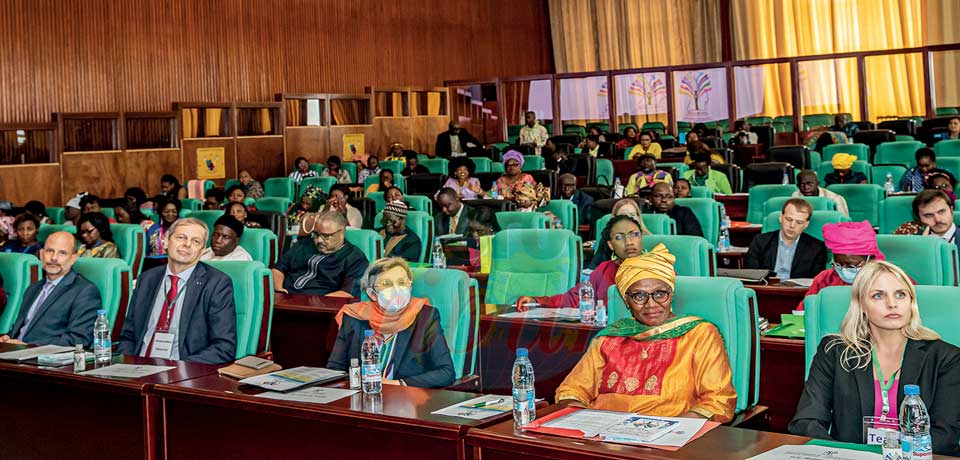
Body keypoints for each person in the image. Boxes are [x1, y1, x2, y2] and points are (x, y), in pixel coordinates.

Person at [789, 261, 960, 455]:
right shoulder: (835, 352)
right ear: (861, 304)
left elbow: (946, 436)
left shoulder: (946, 358)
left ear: (911, 303)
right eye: (878, 296)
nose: (892, 304)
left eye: (901, 295)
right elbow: (807, 421)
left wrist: (892, 455)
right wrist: (840, 455)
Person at [555, 245, 737, 422]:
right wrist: (583, 422)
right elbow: (572, 391)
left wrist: (668, 431)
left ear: (671, 294)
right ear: (627, 301)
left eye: (660, 294)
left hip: (670, 439)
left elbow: (717, 401)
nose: (651, 305)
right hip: (602, 438)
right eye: (639, 296)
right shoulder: (610, 337)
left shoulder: (699, 334)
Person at [117, 218, 237, 364]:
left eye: (196, 241)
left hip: (183, 372)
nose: (187, 244)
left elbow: (224, 348)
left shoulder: (216, 284)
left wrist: (180, 369)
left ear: (202, 250)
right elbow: (128, 336)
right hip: (137, 368)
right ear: (166, 241)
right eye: (181, 237)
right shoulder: (147, 279)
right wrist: (125, 366)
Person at [327, 257, 455, 388]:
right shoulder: (354, 317)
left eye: (402, 282)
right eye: (386, 284)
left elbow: (446, 372)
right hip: (362, 396)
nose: (397, 289)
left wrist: (396, 384)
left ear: (410, 286)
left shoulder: (425, 316)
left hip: (407, 401)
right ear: (372, 294)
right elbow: (334, 369)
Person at [516, 215, 642, 310]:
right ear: (611, 245)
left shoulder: (656, 266)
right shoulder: (605, 269)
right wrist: (536, 301)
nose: (629, 242)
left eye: (635, 234)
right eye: (619, 237)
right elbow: (572, 299)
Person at [0, 232, 101, 347]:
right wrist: (8, 337)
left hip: (43, 360)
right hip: (14, 354)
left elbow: (79, 339)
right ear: (41, 254)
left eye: (62, 253)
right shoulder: (33, 288)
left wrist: (28, 346)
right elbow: (23, 330)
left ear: (73, 258)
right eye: (49, 251)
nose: (53, 258)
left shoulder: (85, 291)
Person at [795, 221, 895, 310]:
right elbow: (804, 312)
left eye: (851, 266)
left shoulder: (892, 280)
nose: (843, 270)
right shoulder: (825, 279)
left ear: (870, 259)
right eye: (838, 264)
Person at [272, 211, 368, 297]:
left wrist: (318, 302)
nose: (319, 240)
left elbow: (347, 293)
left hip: (320, 307)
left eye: (325, 236)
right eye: (316, 234)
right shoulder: (304, 244)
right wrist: (278, 290)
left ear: (341, 233)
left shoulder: (355, 257)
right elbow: (278, 268)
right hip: (285, 299)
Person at [744, 198, 827, 280]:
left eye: (799, 222)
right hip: (766, 289)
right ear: (781, 218)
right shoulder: (760, 241)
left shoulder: (817, 248)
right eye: (789, 219)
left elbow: (816, 281)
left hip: (799, 292)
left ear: (806, 224)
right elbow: (751, 274)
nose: (792, 225)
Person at [587, 199, 652, 269]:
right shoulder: (608, 240)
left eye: (632, 215)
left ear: (638, 217)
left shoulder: (652, 240)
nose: (628, 219)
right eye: (623, 216)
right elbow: (595, 267)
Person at [895, 190, 959, 252]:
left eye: (941, 212)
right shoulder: (913, 243)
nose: (937, 220)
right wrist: (922, 249)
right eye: (928, 215)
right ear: (919, 219)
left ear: (951, 211)